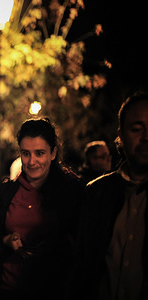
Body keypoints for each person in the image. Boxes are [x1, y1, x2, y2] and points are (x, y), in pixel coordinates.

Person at [0, 117, 84, 300]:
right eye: (25, 153)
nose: (32, 161)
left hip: (53, 292)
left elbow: (83, 246)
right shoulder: (6, 193)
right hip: (8, 292)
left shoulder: (72, 191)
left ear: (53, 153)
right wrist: (6, 241)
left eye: (39, 153)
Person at [68, 93, 148, 299]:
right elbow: (81, 268)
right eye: (137, 129)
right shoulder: (96, 193)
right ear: (121, 134)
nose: (146, 137)